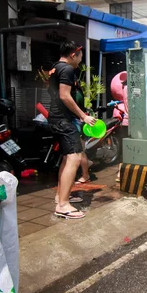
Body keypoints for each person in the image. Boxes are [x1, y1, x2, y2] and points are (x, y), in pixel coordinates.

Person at [48, 41, 96, 219]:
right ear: (73, 54)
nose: (80, 61)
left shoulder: (55, 67)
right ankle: (62, 205)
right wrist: (83, 116)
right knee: (75, 158)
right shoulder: (67, 69)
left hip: (57, 119)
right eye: (80, 57)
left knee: (67, 159)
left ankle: (60, 197)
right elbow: (64, 95)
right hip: (63, 120)